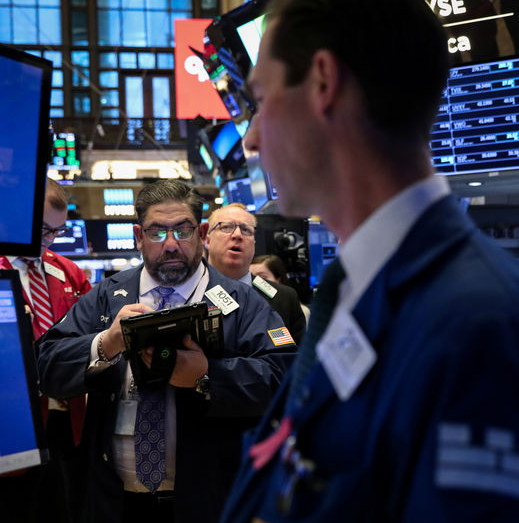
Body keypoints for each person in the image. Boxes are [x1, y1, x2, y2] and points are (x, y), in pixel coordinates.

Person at [221, 0, 519, 521]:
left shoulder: (487, 322)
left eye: (262, 99)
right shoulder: (359, 288)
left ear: (324, 83)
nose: (253, 137)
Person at [37, 180, 293, 523]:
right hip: (114, 502)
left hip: (208, 501)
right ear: (138, 237)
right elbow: (44, 364)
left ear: (201, 232)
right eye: (156, 233)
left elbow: (285, 377)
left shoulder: (242, 302)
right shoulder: (106, 296)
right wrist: (105, 343)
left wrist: (208, 376)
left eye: (183, 231)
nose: (171, 245)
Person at [0, 178, 92, 523]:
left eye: (56, 231)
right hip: (13, 420)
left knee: (63, 507)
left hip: (68, 417)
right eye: (41, 229)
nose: (48, 240)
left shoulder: (68, 271)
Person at [206, 203, 306, 344]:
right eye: (226, 227)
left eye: (246, 230)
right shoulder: (189, 292)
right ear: (207, 240)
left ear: (254, 243)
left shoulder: (285, 298)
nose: (237, 235)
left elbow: (295, 362)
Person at [250, 253, 311, 322]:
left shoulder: (301, 312)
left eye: (262, 277)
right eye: (252, 277)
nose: (255, 282)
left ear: (279, 280)